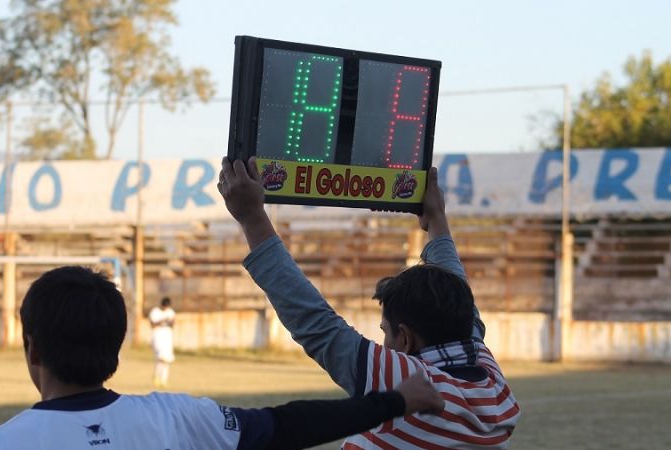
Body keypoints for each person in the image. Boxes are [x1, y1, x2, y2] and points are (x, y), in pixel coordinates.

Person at [218, 157, 521, 449]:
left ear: (405, 338)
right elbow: (461, 301)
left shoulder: (413, 386)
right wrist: (437, 220)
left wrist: (253, 218)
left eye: (386, 331)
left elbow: (317, 325)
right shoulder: (492, 384)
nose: (384, 342)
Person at [0, 265, 444, 450]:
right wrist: (394, 401)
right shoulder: (176, 418)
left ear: (29, 345)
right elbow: (288, 425)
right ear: (116, 344)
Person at [149, 296, 176, 387]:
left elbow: (172, 324)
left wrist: (171, 321)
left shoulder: (171, 312)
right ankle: (157, 377)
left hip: (167, 337)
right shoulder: (155, 312)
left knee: (166, 360)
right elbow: (152, 324)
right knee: (161, 358)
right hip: (158, 337)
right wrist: (162, 320)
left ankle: (163, 379)